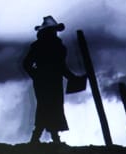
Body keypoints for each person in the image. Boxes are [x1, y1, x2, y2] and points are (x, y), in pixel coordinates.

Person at [22, 15, 82, 144]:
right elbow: (61, 67)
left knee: (50, 106)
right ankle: (40, 138)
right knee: (48, 106)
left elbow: (60, 66)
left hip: (48, 81)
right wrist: (37, 75)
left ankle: (48, 138)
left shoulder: (44, 46)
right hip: (49, 81)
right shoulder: (51, 47)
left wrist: (36, 75)